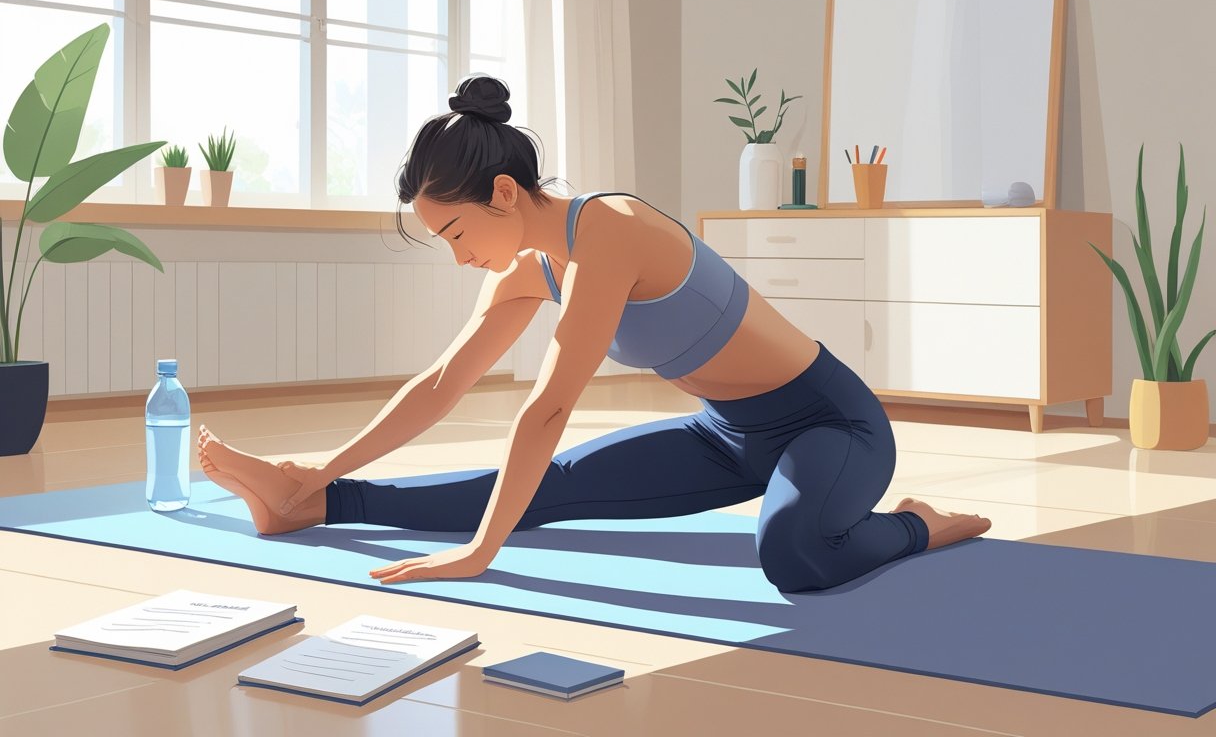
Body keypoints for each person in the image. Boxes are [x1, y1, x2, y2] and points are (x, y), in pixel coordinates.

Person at [197, 74, 992, 593]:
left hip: (829, 424)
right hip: (725, 437)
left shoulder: (610, 231)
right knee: (546, 489)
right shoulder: (525, 268)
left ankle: (920, 523)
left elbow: (546, 409)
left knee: (794, 557)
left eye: (453, 233)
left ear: (503, 193)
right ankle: (312, 504)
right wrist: (318, 470)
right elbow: (441, 387)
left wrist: (481, 555)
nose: (458, 256)